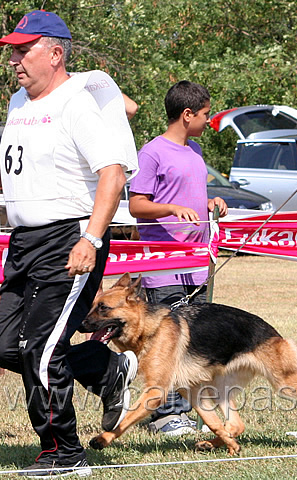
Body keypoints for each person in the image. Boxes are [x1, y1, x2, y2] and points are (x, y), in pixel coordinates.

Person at [0, 11, 138, 476]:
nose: (14, 59)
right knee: (5, 342)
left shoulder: (78, 103)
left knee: (39, 347)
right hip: (25, 241)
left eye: (24, 50)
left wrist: (91, 239)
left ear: (55, 53)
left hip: (69, 238)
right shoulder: (19, 100)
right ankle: (101, 369)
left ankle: (63, 452)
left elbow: (113, 174)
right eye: (13, 51)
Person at [128, 80, 228, 436]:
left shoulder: (196, 150)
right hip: (163, 265)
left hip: (197, 264)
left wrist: (210, 204)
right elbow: (136, 204)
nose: (208, 120)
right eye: (205, 114)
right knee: (165, 343)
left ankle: (194, 412)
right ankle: (165, 415)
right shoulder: (152, 153)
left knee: (196, 342)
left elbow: (191, 197)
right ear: (187, 115)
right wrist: (170, 208)